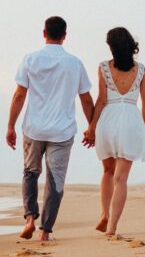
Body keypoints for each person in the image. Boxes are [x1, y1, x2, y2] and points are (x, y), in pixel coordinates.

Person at [6, 16, 94, 241]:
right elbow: (85, 99)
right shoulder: (75, 63)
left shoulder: (30, 59)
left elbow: (19, 95)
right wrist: (92, 126)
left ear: (44, 33)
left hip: (33, 128)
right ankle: (44, 231)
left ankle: (29, 219)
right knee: (55, 180)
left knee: (30, 173)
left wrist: (10, 126)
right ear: (65, 36)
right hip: (62, 132)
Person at [82, 27, 145, 236]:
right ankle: (112, 226)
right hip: (131, 121)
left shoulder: (104, 67)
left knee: (107, 171)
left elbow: (102, 100)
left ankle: (104, 214)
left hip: (108, 121)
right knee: (121, 178)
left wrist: (91, 127)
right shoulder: (140, 70)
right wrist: (141, 128)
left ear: (111, 47)